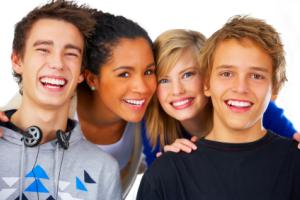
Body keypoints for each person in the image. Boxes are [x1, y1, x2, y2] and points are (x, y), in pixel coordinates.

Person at [137, 16, 300, 199]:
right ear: (208, 83)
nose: (177, 90)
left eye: (188, 74)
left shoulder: (266, 115)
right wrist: (166, 167)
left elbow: (292, 141)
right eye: (227, 73)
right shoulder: (158, 138)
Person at [0, 1, 121, 199]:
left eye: (71, 53)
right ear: (17, 60)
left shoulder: (103, 169)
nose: (57, 63)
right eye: (43, 49)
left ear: (82, 72)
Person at [145, 29, 300, 153]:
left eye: (188, 75)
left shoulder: (254, 108)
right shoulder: (152, 132)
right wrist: (169, 164)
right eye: (164, 80)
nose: (177, 90)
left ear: (208, 78)